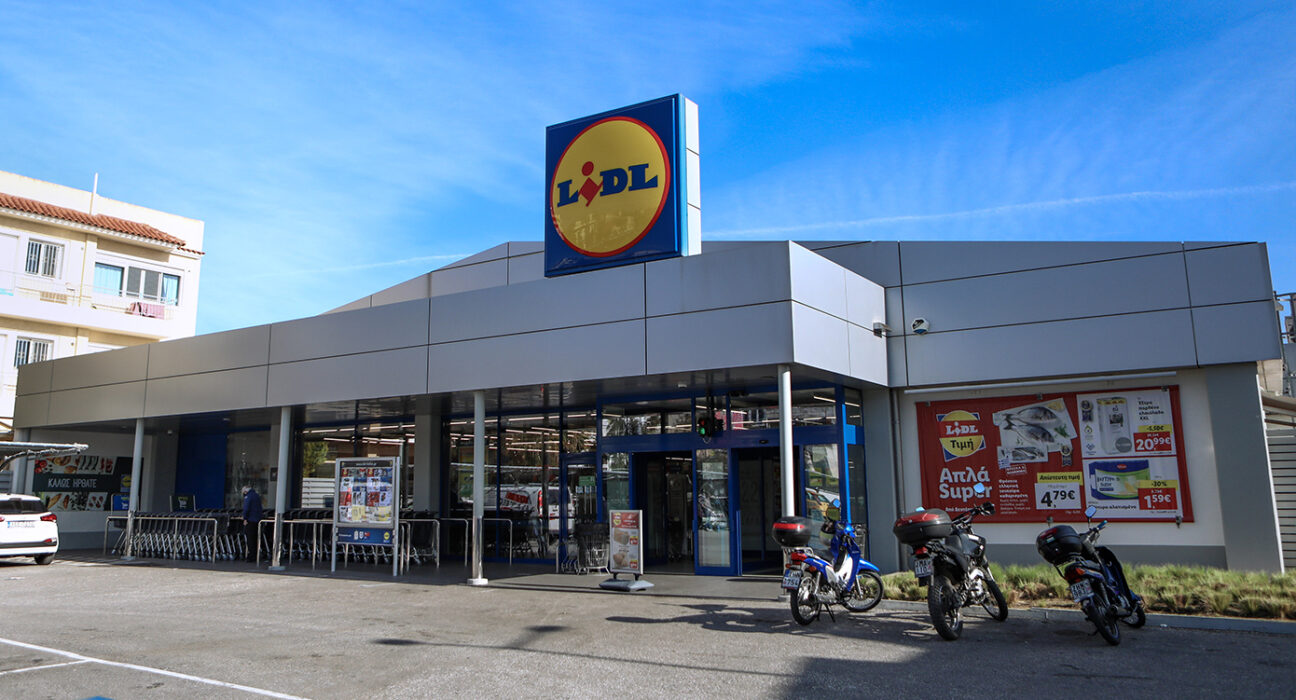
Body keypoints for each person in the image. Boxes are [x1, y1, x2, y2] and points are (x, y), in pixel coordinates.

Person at [241, 485, 263, 563]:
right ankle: (256, 554)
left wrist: (245, 518)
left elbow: (246, 508)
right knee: (255, 538)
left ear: (245, 491)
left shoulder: (248, 497)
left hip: (250, 520)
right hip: (257, 520)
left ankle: (251, 556)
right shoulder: (256, 496)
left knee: (250, 539)